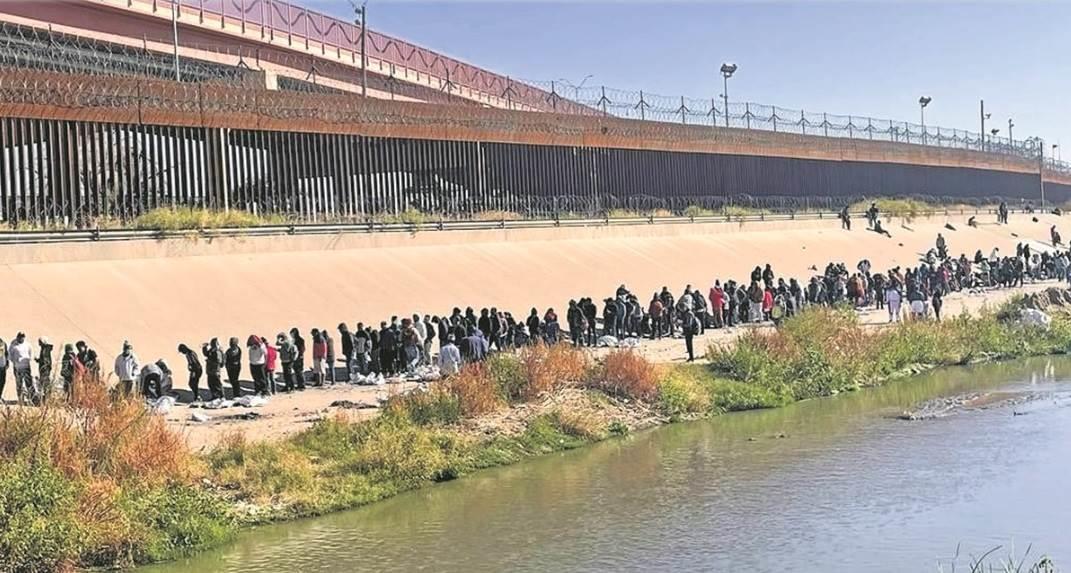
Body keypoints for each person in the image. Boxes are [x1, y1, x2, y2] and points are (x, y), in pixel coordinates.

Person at [0, 336, 7, 402]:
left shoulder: (4, 343)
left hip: (2, 366)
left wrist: (7, 363)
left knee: (2, 381)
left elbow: (6, 354)